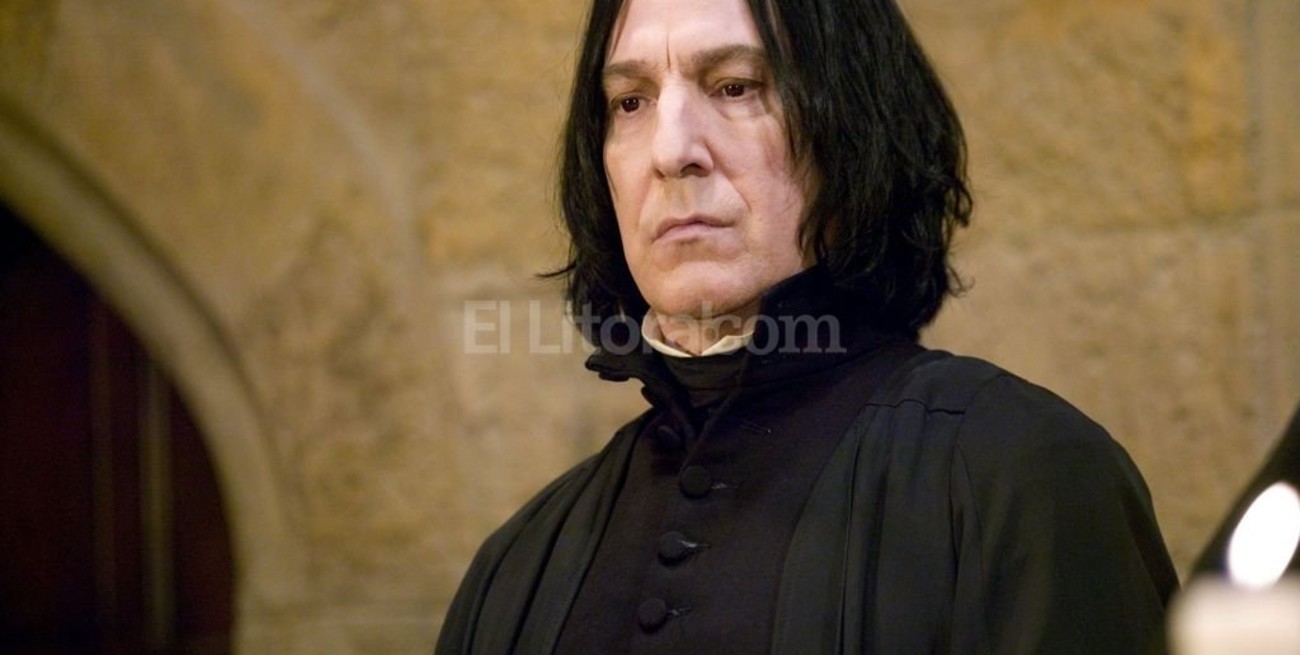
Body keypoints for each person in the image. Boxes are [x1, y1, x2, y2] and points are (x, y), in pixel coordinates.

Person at [436, 0, 1179, 652]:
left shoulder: (1022, 476)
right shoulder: (517, 565)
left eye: (735, 86)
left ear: (853, 124)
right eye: (630, 102)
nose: (670, 151)